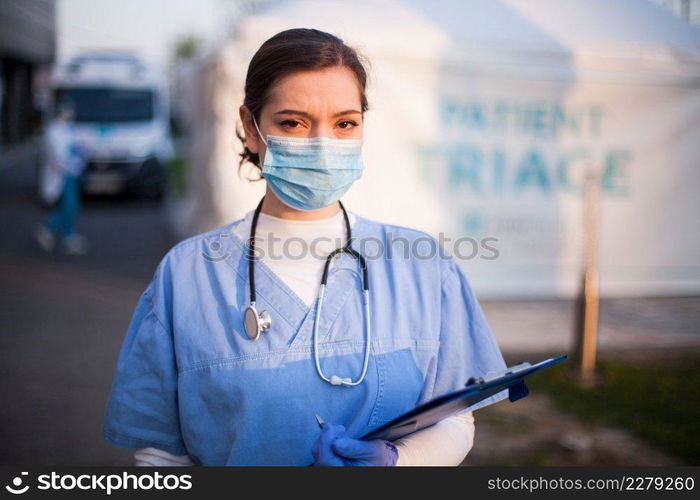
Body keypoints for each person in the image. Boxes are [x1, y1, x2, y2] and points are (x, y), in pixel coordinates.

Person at [101, 28, 509, 466]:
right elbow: (161, 454)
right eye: (293, 122)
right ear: (250, 128)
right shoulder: (187, 276)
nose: (322, 144)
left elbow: (455, 417)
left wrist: (397, 462)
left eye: (344, 123)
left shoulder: (423, 268)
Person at [34, 100, 89, 255]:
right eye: (68, 110)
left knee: (72, 206)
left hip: (71, 173)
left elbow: (77, 146)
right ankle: (47, 227)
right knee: (69, 206)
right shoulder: (53, 131)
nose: (71, 114)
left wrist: (81, 154)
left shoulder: (67, 129)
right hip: (62, 174)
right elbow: (58, 157)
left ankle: (68, 237)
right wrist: (73, 164)